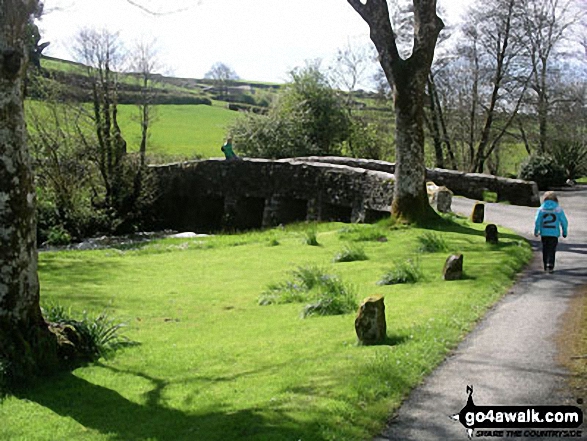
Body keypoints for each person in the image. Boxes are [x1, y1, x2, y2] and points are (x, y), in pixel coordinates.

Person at [534, 191, 568, 273]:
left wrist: (536, 231)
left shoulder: (541, 209)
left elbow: (537, 221)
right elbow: (564, 221)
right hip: (554, 233)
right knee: (552, 249)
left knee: (545, 249)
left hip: (544, 233)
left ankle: (546, 264)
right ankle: (550, 264)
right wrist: (564, 232)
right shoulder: (558, 209)